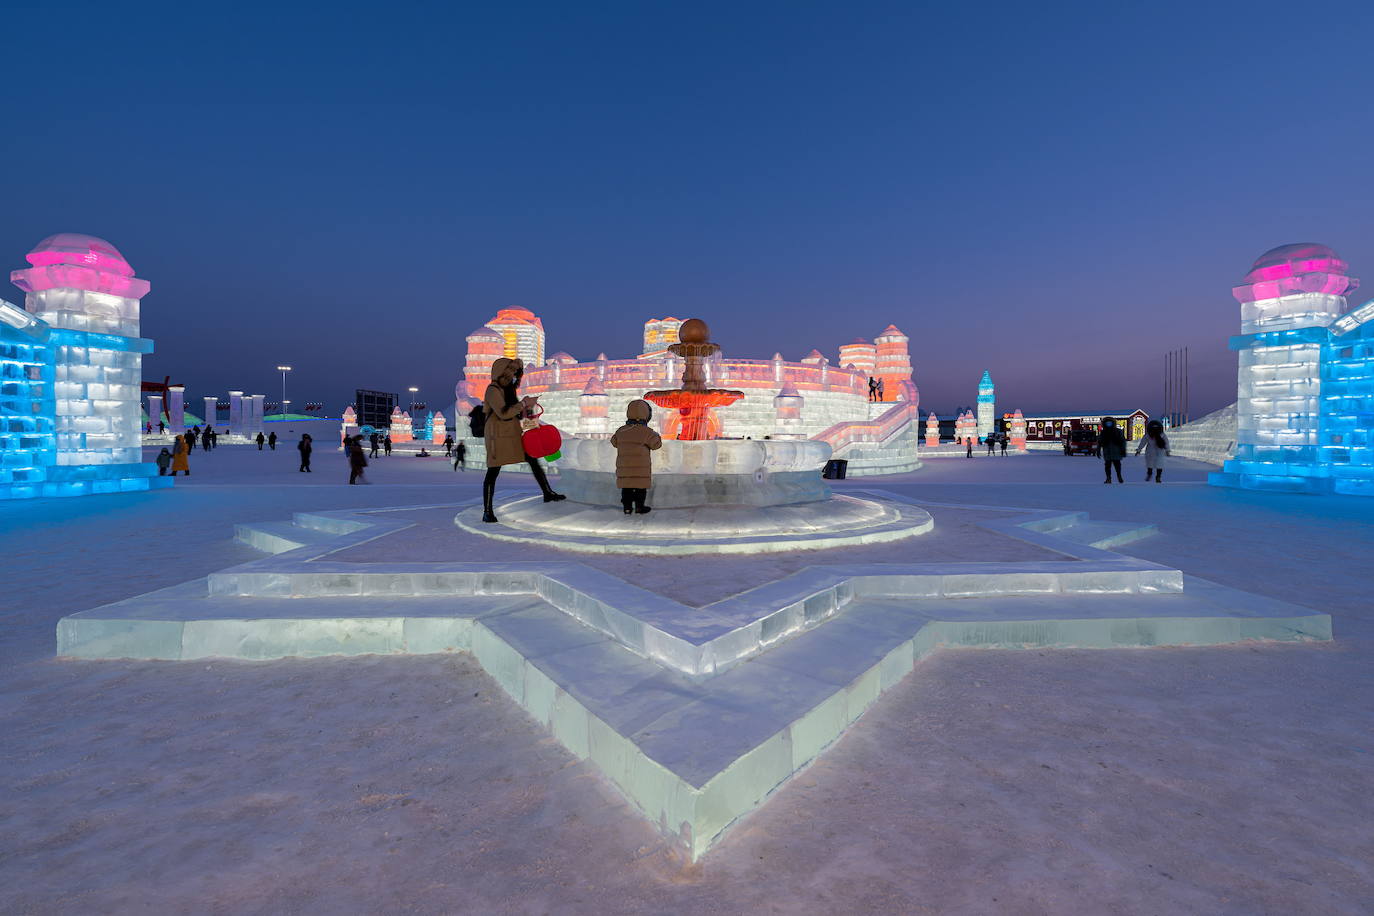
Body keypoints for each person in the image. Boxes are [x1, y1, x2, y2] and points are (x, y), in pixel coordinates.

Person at [481, 357, 565, 522]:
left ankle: (547, 493)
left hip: (512, 433)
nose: (513, 375)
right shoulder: (493, 390)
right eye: (510, 372)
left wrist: (528, 406)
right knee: (493, 471)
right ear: (501, 373)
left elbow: (516, 413)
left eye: (514, 372)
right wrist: (523, 403)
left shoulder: (508, 390)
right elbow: (504, 413)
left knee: (532, 458)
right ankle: (487, 511)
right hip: (497, 436)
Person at [611, 399, 662, 514]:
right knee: (640, 487)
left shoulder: (621, 431)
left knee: (626, 487)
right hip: (641, 467)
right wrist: (657, 435)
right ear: (646, 414)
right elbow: (656, 445)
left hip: (624, 466)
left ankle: (627, 508)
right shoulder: (647, 432)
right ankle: (640, 507)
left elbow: (614, 442)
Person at [1098, 417, 1127, 484]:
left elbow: (1123, 441)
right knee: (1107, 466)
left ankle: (1119, 477)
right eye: (1107, 423)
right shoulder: (1103, 432)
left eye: (1110, 423)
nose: (1108, 424)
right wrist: (1098, 450)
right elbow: (1099, 442)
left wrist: (1123, 450)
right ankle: (1108, 478)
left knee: (1117, 465)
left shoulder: (1118, 431)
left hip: (1116, 451)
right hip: (1107, 452)